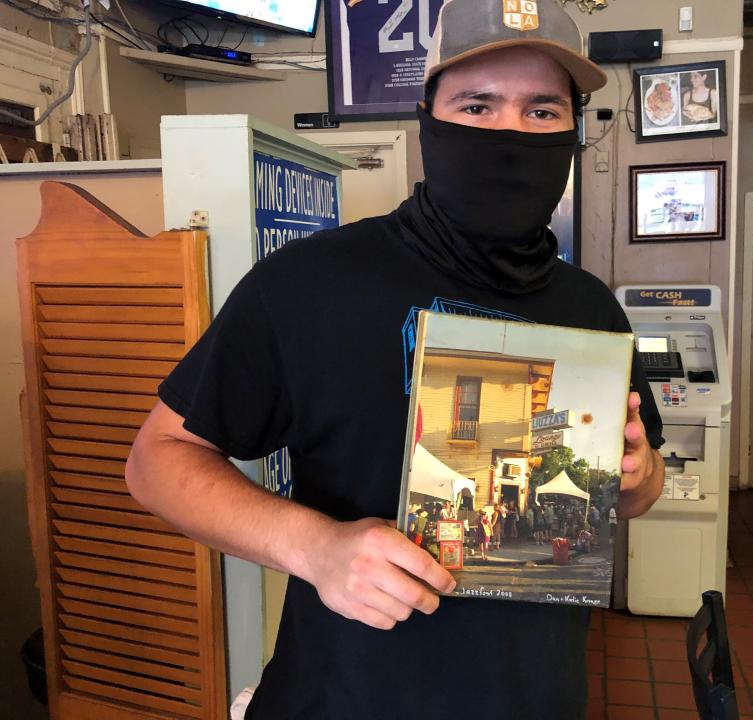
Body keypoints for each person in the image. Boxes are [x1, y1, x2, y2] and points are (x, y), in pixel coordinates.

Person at [125, 1, 665, 718]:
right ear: (427, 118)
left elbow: (638, 489)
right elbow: (156, 459)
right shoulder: (311, 283)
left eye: (541, 112)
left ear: (573, 131)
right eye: (477, 105)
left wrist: (638, 474)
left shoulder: (592, 310)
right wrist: (316, 548)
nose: (509, 132)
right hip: (341, 698)